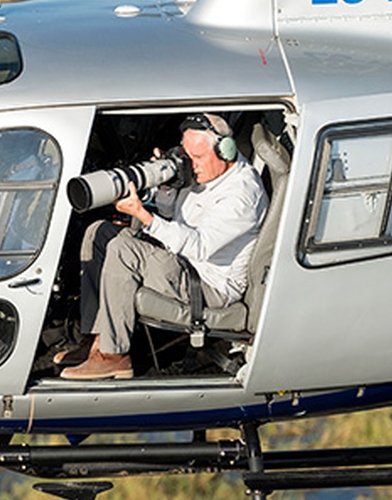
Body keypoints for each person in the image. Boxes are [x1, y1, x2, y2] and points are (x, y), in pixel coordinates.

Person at [58, 113, 266, 381]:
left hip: (205, 284)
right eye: (187, 155)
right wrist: (166, 187)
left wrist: (145, 216)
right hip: (180, 259)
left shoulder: (242, 195)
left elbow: (199, 247)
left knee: (124, 249)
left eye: (198, 158)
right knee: (99, 233)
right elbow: (173, 215)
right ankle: (96, 340)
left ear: (225, 151)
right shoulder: (206, 172)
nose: (192, 164)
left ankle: (114, 356)